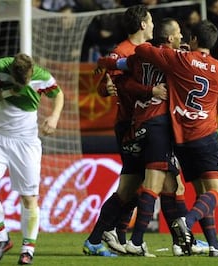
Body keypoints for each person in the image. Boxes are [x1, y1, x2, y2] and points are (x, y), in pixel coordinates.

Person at [134, 20, 218, 257]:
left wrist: (173, 50)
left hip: (181, 139)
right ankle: (186, 222)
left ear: (194, 40)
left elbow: (142, 50)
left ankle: (215, 245)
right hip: (206, 135)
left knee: (202, 192)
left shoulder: (180, 60)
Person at [83, 5, 155, 257]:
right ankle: (105, 234)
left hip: (144, 124)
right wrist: (107, 89)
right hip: (130, 125)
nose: (154, 25)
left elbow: (108, 83)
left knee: (140, 185)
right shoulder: (122, 52)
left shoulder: (147, 51)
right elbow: (107, 85)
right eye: (151, 20)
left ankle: (117, 235)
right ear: (143, 24)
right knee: (134, 185)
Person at [0, 53, 64, 264]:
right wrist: (9, 91)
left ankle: (27, 249)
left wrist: (53, 117)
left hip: (26, 143)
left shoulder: (41, 75)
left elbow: (58, 94)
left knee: (28, 198)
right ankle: (2, 239)